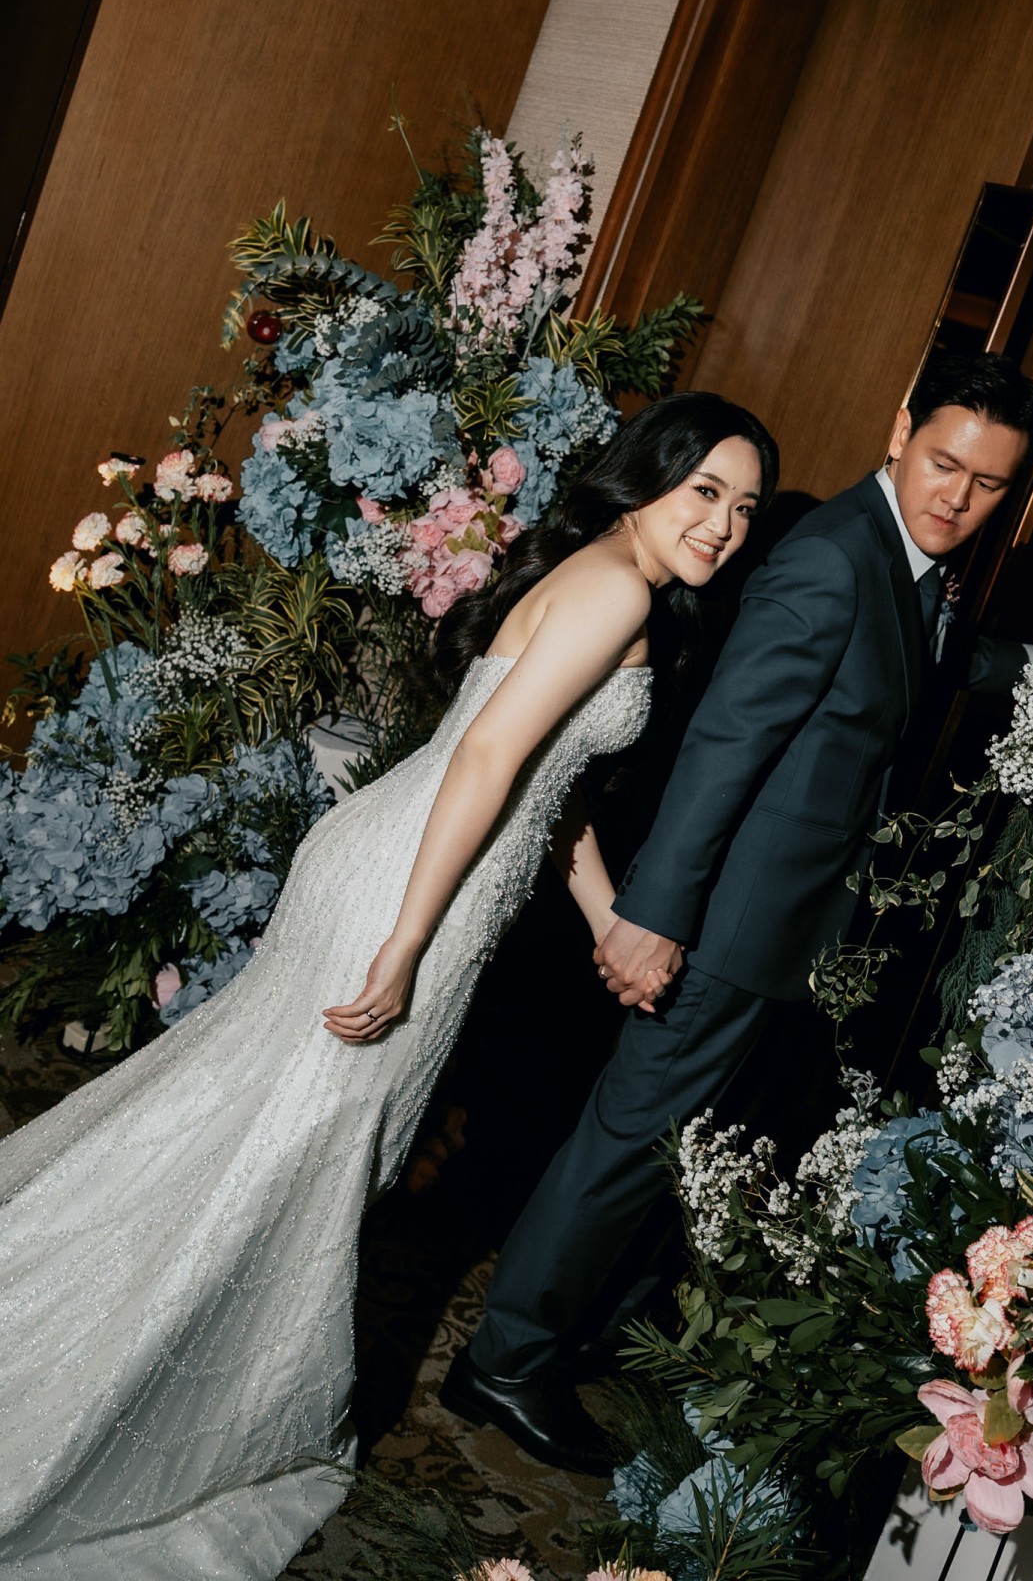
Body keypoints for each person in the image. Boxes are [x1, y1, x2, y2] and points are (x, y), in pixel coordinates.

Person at [0, 392, 778, 1580]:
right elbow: (487, 757)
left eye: (746, 508)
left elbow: (547, 787)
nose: (721, 525)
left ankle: (110, 1339)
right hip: (411, 893)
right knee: (284, 1162)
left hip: (402, 870)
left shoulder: (611, 578)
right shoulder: (617, 590)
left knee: (256, 1138)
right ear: (647, 479)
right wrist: (409, 941)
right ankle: (95, 1383)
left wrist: (605, 918)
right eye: (704, 491)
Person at [448, 351, 1033, 1474]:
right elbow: (723, 749)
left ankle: (574, 1333)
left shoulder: (900, 560)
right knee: (627, 1145)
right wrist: (653, 915)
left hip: (779, 933)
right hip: (721, 927)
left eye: (987, 484)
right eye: (943, 463)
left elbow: (929, 658)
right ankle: (504, 1358)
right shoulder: (832, 558)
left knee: (670, 1154)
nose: (956, 498)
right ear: (900, 432)